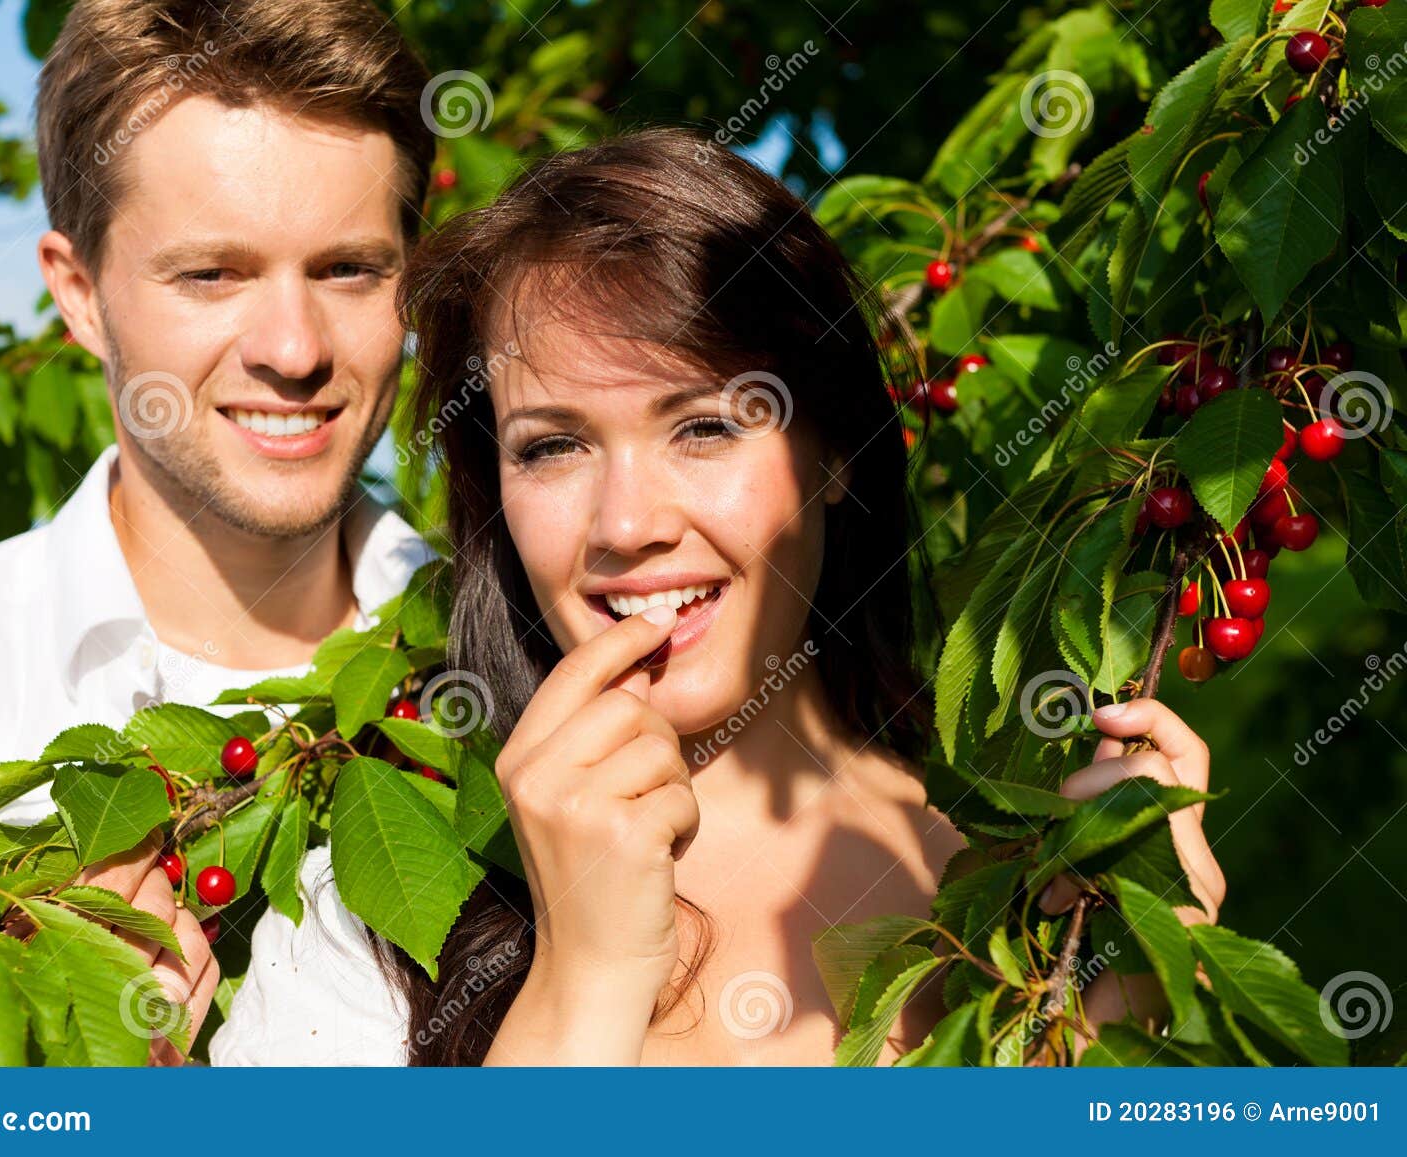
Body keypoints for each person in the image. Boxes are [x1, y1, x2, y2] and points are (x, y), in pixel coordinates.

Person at [211, 128, 1227, 1066]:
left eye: (702, 427)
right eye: (552, 446)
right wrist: (584, 975)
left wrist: (1129, 1004)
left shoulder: (1029, 898)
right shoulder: (374, 919)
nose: (624, 524)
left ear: (831, 448)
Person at [0, 0, 437, 1061]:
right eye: (212, 274)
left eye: (348, 269)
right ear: (80, 293)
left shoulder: (534, 680)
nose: (293, 346)